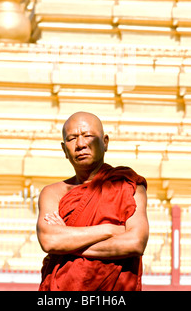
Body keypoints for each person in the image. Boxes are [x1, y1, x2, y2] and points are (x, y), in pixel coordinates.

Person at [36, 111, 149, 291]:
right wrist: (110, 229)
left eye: (88, 136)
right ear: (64, 149)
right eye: (72, 138)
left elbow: (135, 242)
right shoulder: (53, 193)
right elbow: (50, 240)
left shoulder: (128, 184)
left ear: (105, 142)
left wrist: (67, 242)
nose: (81, 144)